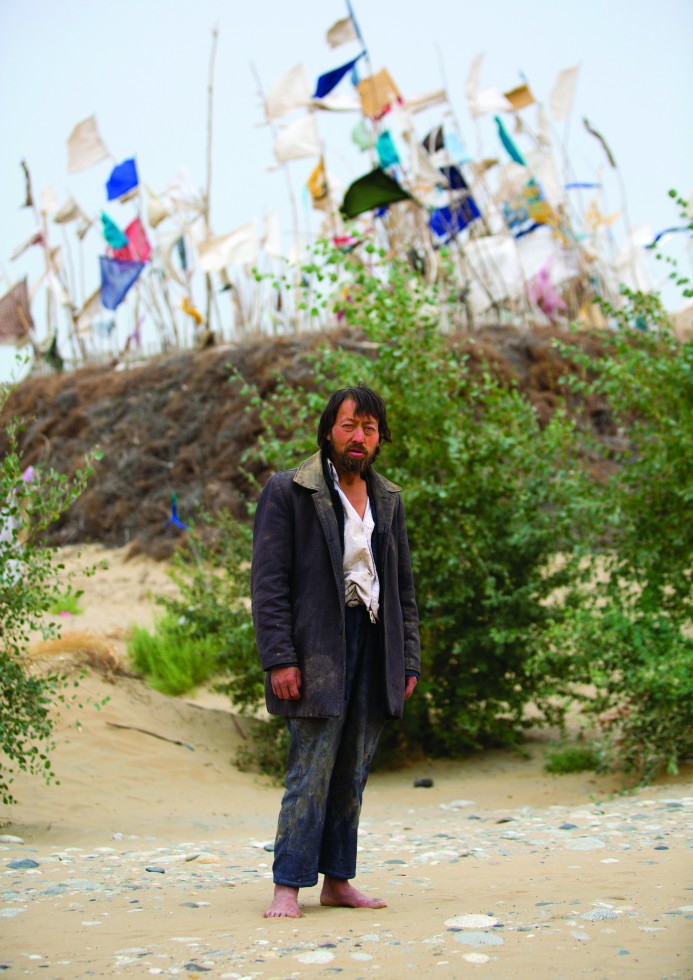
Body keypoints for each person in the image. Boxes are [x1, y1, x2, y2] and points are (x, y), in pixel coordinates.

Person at [251, 384, 420, 918]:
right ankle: (287, 884)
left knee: (353, 771)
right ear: (329, 430)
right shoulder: (289, 490)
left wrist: (408, 660)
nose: (358, 437)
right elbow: (268, 584)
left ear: (379, 439)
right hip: (317, 646)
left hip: (375, 643)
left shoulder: (388, 499)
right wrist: (280, 657)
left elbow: (404, 591)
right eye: (349, 426)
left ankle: (338, 881)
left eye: (369, 429)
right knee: (311, 768)